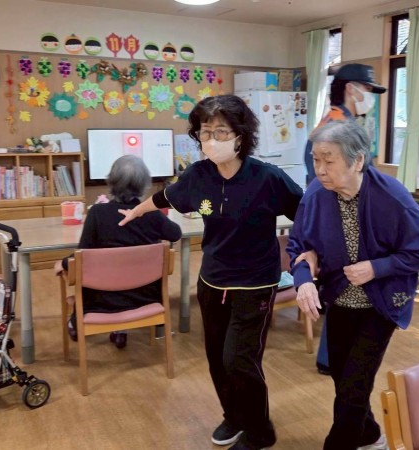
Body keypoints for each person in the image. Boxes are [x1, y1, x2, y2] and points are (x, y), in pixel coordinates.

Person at [118, 95, 304, 450]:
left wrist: (312, 252)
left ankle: (260, 432)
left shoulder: (267, 178)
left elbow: (306, 212)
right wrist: (136, 211)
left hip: (255, 283)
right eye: (205, 132)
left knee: (240, 360)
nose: (212, 140)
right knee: (218, 359)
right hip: (213, 280)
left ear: (240, 136)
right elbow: (165, 198)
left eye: (221, 132)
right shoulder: (198, 175)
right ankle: (233, 416)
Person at [288, 120, 419, 450]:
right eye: (316, 160)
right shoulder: (316, 193)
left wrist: (376, 267)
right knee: (342, 376)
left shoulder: (391, 196)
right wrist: (303, 280)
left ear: (357, 160)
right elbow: (298, 244)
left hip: (381, 303)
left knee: (354, 385)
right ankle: (370, 435)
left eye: (329, 160)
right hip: (339, 298)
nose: (320, 169)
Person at [304, 63, 387, 376]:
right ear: (351, 88)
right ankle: (332, 357)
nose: (370, 96)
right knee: (344, 284)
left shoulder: (336, 120)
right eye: (367, 89)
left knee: (341, 283)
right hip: (343, 214)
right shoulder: (339, 126)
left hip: (338, 212)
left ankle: (332, 356)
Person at [63, 155, 182, 349]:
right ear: (144, 184)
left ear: (111, 181)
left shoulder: (97, 213)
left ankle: (77, 325)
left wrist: (64, 263)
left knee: (81, 273)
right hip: (145, 298)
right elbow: (175, 234)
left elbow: (83, 255)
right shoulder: (152, 214)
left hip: (101, 300)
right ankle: (120, 330)